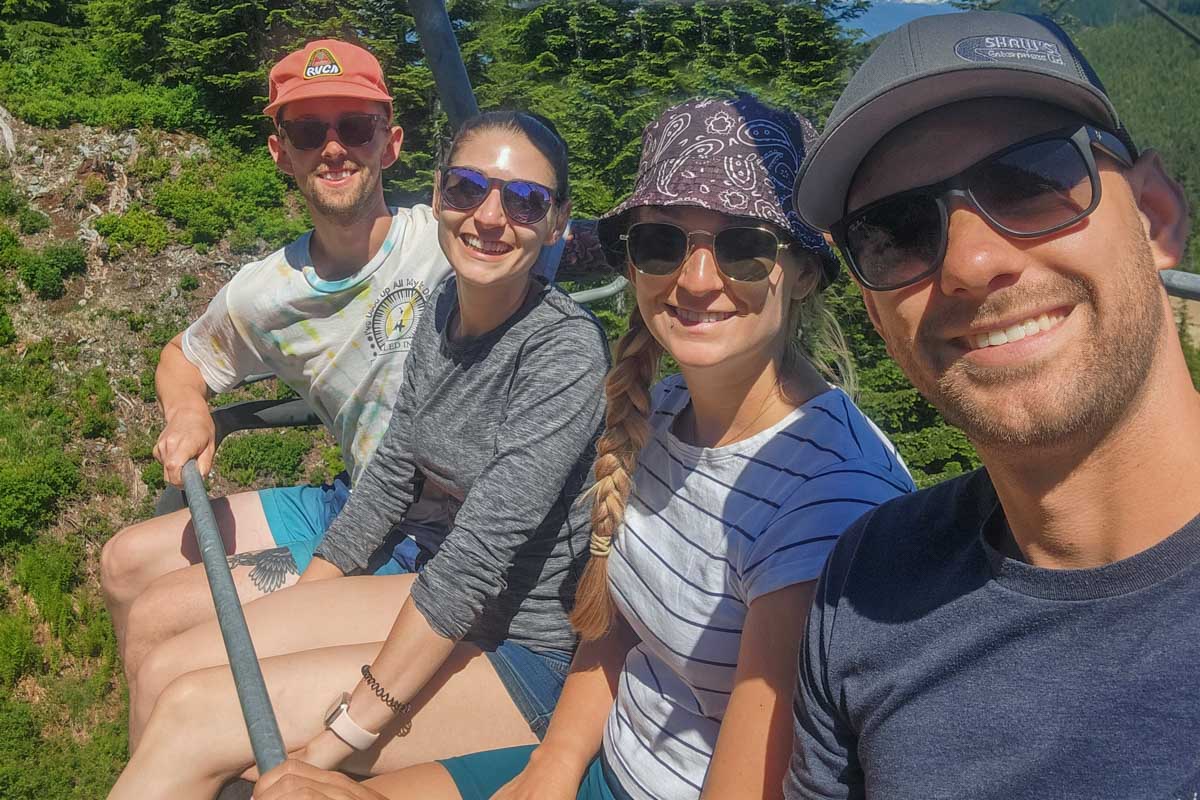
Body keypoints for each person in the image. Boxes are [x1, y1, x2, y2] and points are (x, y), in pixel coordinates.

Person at [363, 95, 914, 800]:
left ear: (803, 271)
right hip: (597, 758)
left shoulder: (826, 501)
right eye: (662, 243)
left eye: (745, 247)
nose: (696, 279)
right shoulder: (661, 412)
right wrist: (553, 770)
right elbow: (619, 630)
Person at [107, 109, 609, 799]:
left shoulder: (563, 350)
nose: (490, 216)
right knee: (173, 669)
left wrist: (337, 739)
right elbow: (393, 470)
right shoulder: (441, 308)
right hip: (441, 597)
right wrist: (306, 602)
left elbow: (480, 558)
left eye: (524, 200)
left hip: (519, 645)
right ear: (436, 196)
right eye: (466, 188)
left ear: (556, 224)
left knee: (197, 714)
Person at [784, 12, 1198, 799]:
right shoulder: (867, 582)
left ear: (1156, 218)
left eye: (1031, 180)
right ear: (877, 314)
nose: (971, 263)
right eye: (895, 232)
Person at [98, 40, 570, 687]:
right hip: (359, 502)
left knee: (164, 623)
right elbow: (183, 356)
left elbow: (542, 240)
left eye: (353, 126)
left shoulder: (452, 237)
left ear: (390, 141)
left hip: (437, 537)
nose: (333, 147)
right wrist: (188, 410)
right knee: (124, 563)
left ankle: (198, 757)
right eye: (307, 129)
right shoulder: (265, 294)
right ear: (280, 151)